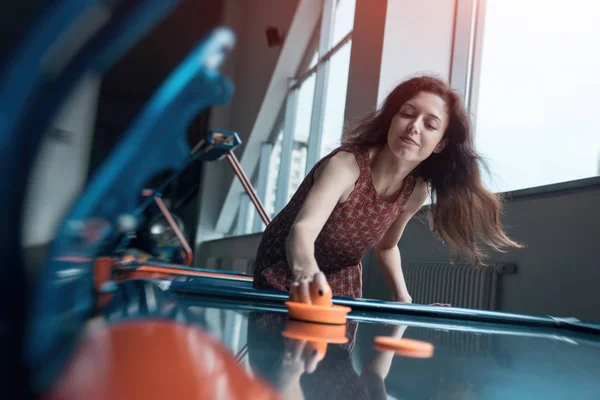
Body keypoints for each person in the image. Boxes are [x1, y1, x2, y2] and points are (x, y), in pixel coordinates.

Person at [253, 75, 521, 303]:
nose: (414, 127)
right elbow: (302, 231)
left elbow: (386, 247)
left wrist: (404, 303)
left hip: (340, 276)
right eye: (407, 113)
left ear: (440, 144)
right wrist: (309, 276)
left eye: (430, 125)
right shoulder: (346, 166)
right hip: (286, 267)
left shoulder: (416, 191)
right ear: (392, 119)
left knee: (337, 361)